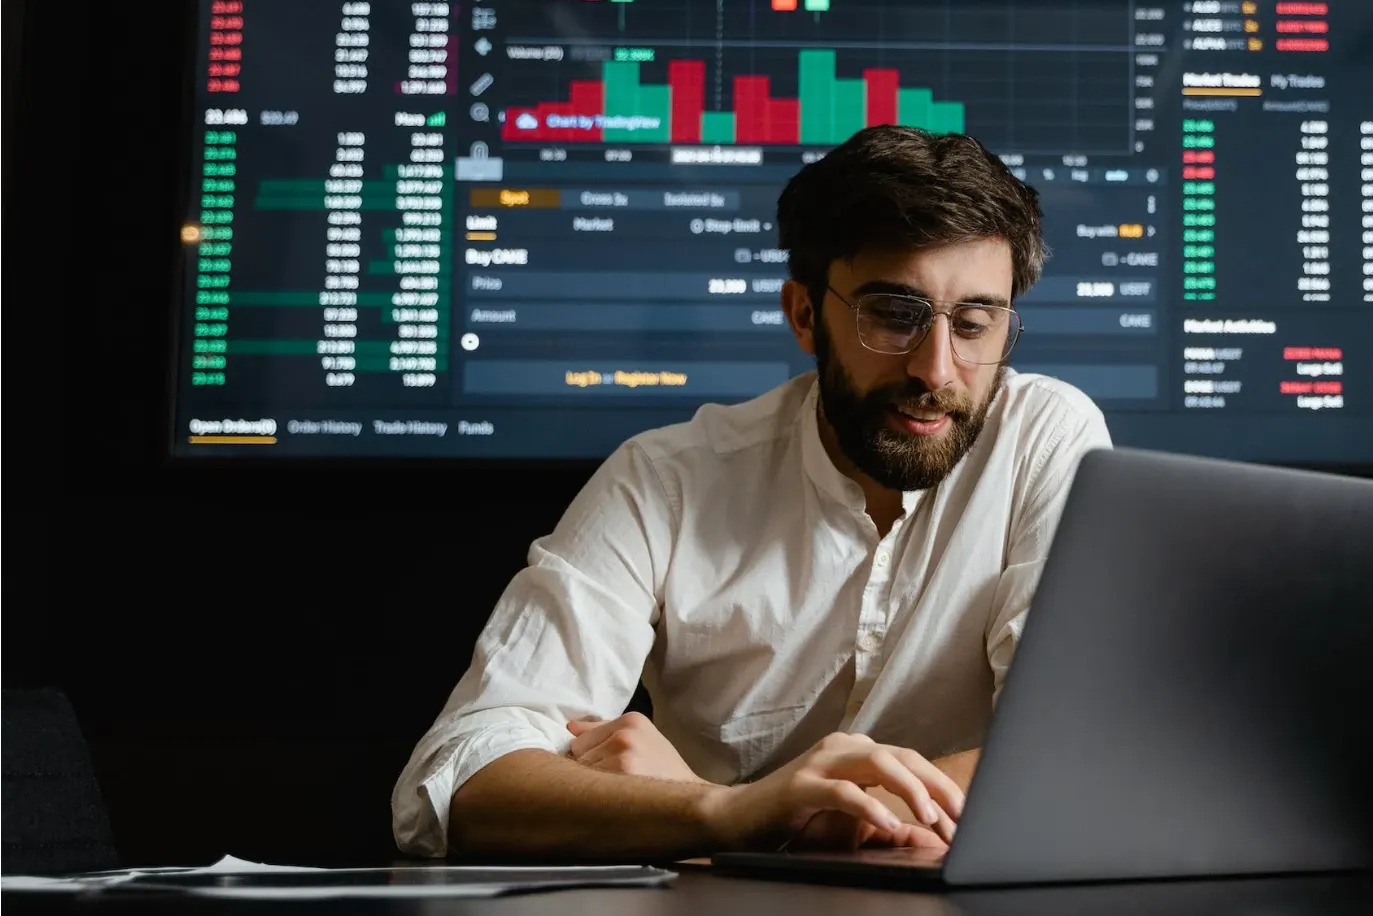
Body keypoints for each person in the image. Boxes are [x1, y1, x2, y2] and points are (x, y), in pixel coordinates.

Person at [391, 126, 1112, 861]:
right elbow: (461, 777)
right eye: (893, 314)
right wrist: (724, 812)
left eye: (973, 323)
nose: (937, 367)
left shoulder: (1046, 438)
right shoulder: (663, 480)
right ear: (804, 314)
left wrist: (759, 819)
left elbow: (1076, 743)